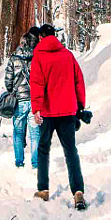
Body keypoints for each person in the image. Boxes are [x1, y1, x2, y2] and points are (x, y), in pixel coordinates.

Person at [28, 22, 89, 208]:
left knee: (43, 149)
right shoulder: (68, 55)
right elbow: (79, 81)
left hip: (47, 112)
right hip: (68, 111)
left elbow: (36, 83)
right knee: (71, 151)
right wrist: (80, 106)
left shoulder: (39, 55)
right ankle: (78, 191)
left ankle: (43, 190)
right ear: (55, 36)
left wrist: (36, 109)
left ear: (41, 38)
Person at [0, 34, 40, 170]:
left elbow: (8, 81)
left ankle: (19, 162)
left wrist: (12, 90)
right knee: (35, 133)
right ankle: (35, 163)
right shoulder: (37, 58)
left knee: (18, 132)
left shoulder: (13, 59)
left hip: (19, 101)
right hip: (34, 100)